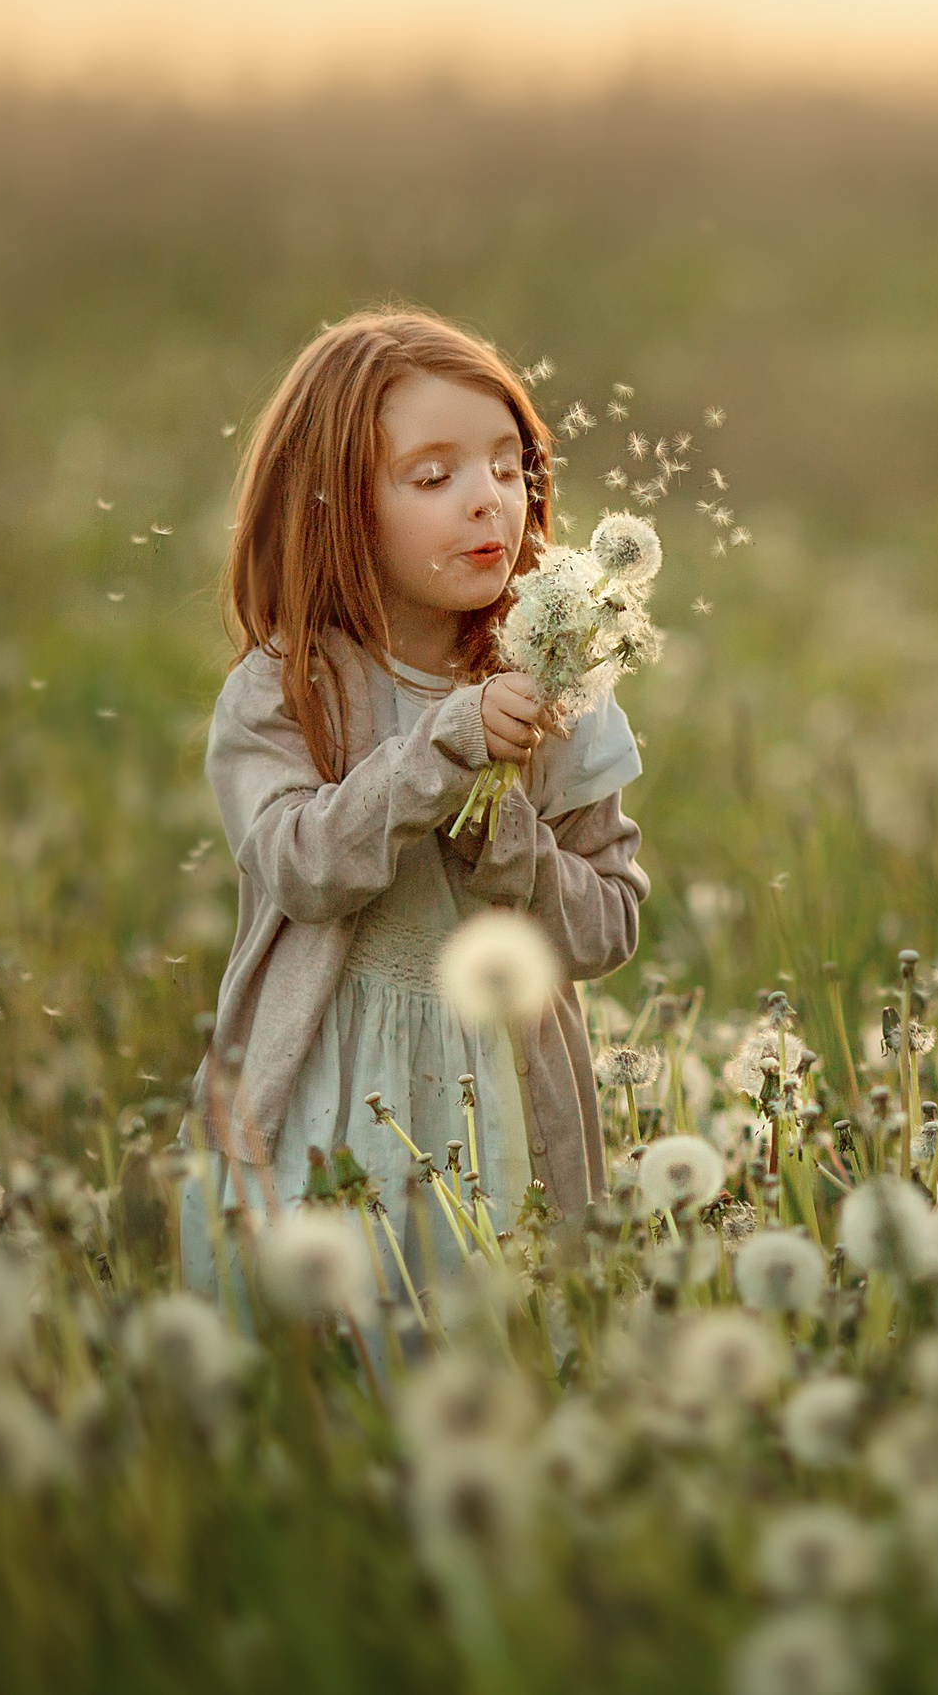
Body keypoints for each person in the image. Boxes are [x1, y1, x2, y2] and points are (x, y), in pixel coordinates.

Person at [185, 307, 648, 1295]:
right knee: (326, 1381)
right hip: (327, 1089)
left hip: (505, 1104)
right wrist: (449, 746)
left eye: (508, 466)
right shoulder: (285, 691)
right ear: (335, 510)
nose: (488, 501)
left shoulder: (563, 694)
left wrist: (509, 841)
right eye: (433, 477)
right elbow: (304, 870)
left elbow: (608, 927)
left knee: (491, 1358)